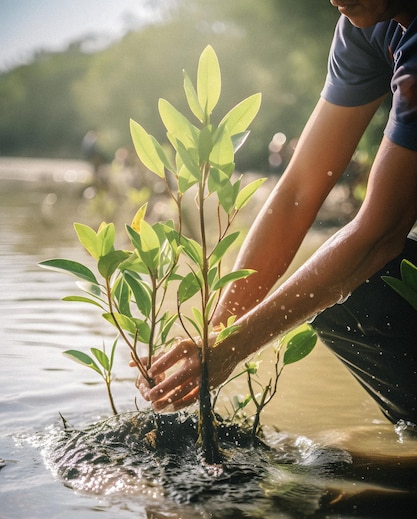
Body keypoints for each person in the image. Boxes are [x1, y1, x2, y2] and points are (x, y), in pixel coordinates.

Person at [134, 0, 417, 426]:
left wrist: (234, 347)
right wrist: (218, 335)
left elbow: (381, 233)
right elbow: (298, 192)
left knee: (366, 288)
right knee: (351, 299)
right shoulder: (363, 27)